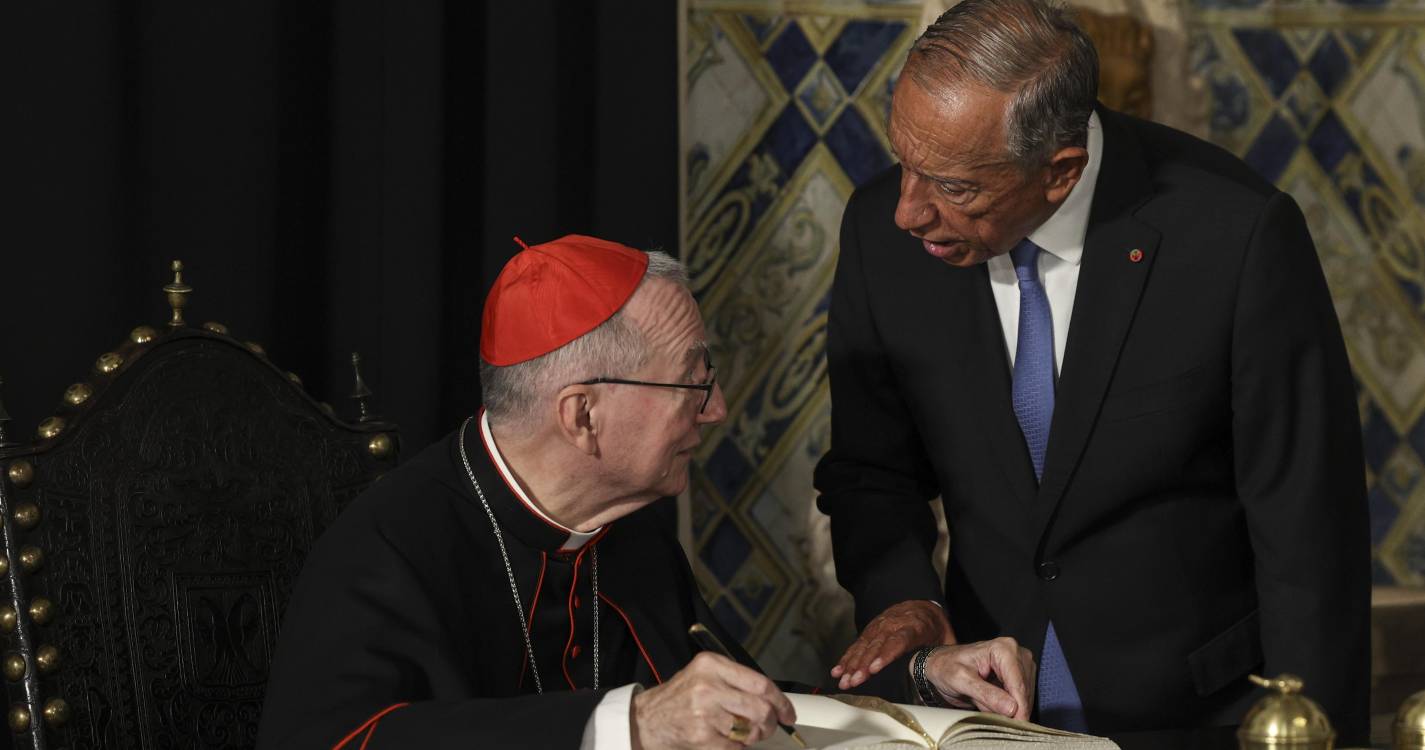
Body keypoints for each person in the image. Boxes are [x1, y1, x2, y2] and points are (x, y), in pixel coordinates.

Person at [813, 0, 1370, 742]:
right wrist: (906, 603)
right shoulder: (883, 240)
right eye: (905, 164)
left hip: (1200, 717)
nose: (907, 211)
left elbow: (1307, 528)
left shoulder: (1233, 236)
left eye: (952, 187)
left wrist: (1312, 730)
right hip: (989, 719)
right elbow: (869, 474)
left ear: (1058, 171)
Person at [257, 235, 1036, 749]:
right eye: (692, 381)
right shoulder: (392, 545)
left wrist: (923, 678)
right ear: (583, 415)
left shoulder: (628, 529)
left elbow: (743, 705)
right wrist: (626, 724)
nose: (719, 408)